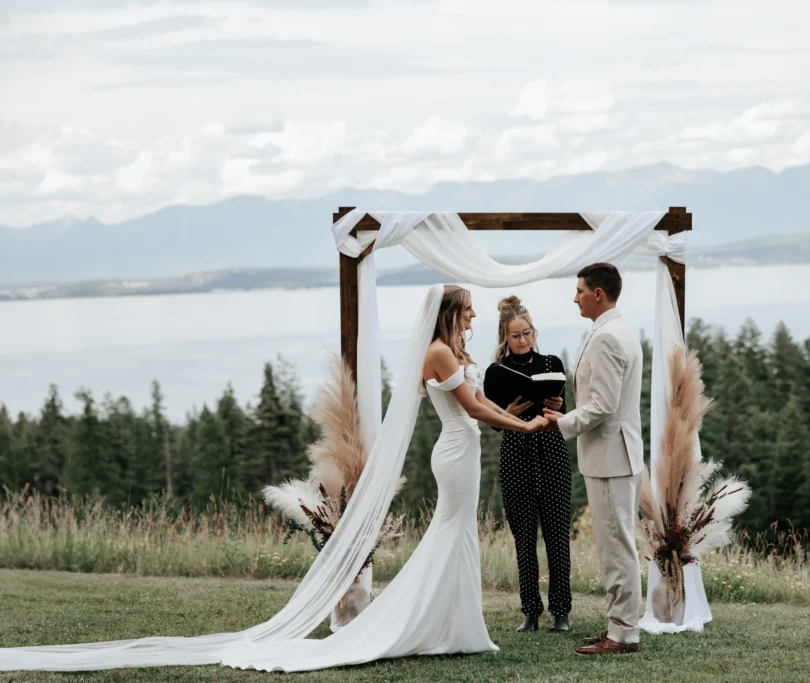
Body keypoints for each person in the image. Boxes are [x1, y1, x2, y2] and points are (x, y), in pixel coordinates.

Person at [0, 284, 548, 673]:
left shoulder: (452, 350)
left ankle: (456, 625)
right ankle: (440, 626)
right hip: (455, 451)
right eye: (469, 311)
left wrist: (511, 412)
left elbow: (481, 403)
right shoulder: (437, 351)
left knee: (458, 533)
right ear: (450, 313)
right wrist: (522, 426)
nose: (474, 317)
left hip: (465, 449)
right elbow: (471, 408)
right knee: (451, 532)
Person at [542, 263, 645, 656]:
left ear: (598, 293)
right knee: (615, 544)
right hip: (615, 455)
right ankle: (619, 625)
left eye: (580, 290)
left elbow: (602, 406)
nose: (575, 298)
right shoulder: (619, 329)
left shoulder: (607, 337)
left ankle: (623, 634)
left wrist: (561, 423)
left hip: (611, 458)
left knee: (616, 547)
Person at [483, 295, 572, 633]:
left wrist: (558, 405)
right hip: (516, 452)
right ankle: (531, 612)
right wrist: (508, 413)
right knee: (523, 536)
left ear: (534, 331)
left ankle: (561, 612)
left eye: (527, 333)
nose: (522, 340)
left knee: (557, 534)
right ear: (504, 336)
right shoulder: (495, 372)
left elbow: (566, 413)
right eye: (515, 335)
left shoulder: (552, 362)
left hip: (551, 450)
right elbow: (493, 422)